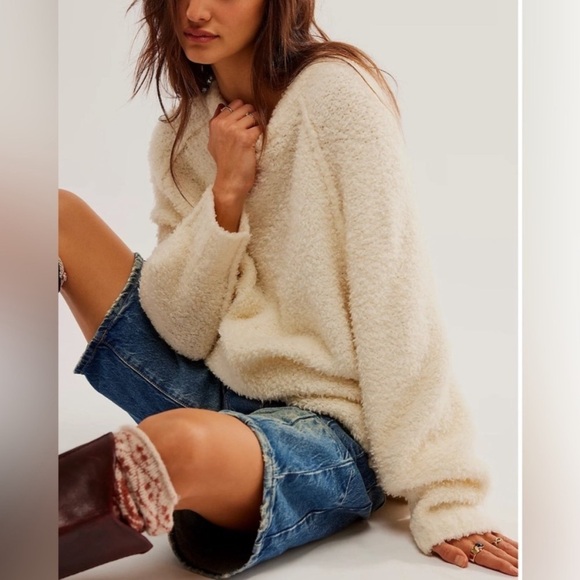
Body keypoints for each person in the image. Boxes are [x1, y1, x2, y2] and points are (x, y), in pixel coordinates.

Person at [58, 0, 519, 578]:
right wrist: (226, 194)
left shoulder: (337, 97)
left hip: (326, 428)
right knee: (50, 216)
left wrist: (444, 492)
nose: (195, 10)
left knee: (174, 444)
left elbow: (396, 297)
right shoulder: (182, 133)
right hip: (215, 383)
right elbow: (182, 330)